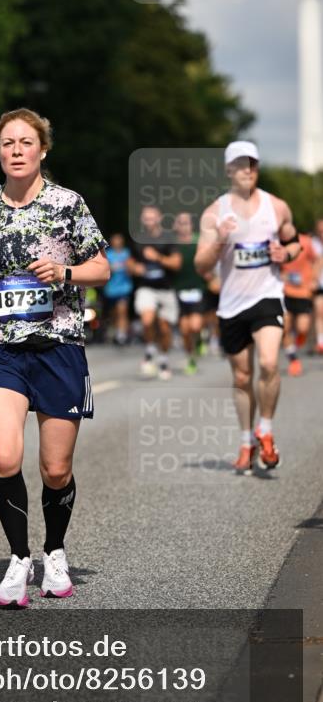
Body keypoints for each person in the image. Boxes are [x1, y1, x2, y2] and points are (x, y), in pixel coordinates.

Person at [0, 109, 109, 608]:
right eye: (8, 143)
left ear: (42, 151)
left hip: (59, 345)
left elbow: (102, 266)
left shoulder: (67, 204)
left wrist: (65, 271)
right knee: (4, 455)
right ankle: (19, 559)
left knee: (55, 470)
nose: (16, 150)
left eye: (26, 142)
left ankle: (53, 551)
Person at [195, 141, 300, 475]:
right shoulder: (215, 213)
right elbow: (201, 265)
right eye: (240, 165)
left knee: (269, 363)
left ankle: (265, 432)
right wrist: (220, 240)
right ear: (229, 170)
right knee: (242, 376)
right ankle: (246, 441)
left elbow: (293, 240)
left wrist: (289, 253)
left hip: (267, 295)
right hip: (232, 305)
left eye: (252, 164)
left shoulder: (277, 206)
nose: (248, 170)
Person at [127, 206, 182, 380]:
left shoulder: (168, 238)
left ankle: (164, 360)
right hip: (146, 288)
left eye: (152, 218)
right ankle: (150, 349)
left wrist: (158, 258)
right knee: (147, 319)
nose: (149, 221)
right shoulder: (138, 239)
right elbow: (130, 263)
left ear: (159, 219)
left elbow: (176, 263)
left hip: (166, 289)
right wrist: (135, 268)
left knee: (165, 328)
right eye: (146, 218)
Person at [173, 212, 207, 375]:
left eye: (186, 222)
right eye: (180, 222)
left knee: (195, 326)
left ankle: (200, 338)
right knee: (185, 331)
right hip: (179, 290)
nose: (183, 225)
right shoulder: (173, 245)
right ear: (176, 226)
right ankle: (191, 358)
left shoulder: (198, 241)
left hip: (197, 288)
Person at [281, 232, 317, 376]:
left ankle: (296, 342)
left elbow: (317, 260)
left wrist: (313, 279)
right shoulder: (278, 241)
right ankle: (293, 360)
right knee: (285, 326)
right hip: (284, 291)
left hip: (303, 291)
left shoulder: (306, 241)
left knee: (303, 327)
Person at [102, 233, 133, 345]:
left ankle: (122, 334)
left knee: (122, 310)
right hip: (111, 289)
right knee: (114, 313)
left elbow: (131, 269)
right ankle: (117, 330)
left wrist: (129, 267)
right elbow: (104, 270)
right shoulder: (108, 254)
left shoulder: (126, 253)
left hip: (124, 288)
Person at [311, 218, 323, 354]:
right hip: (318, 284)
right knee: (320, 311)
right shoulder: (313, 244)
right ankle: (320, 342)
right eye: (320, 231)